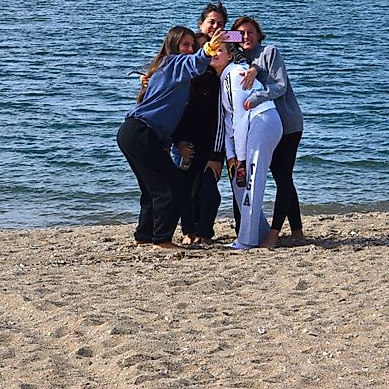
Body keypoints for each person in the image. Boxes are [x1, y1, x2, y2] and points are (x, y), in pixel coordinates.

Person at [117, 26, 223, 249]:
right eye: (185, 45)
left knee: (151, 188)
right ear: (172, 46)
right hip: (140, 132)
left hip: (134, 133)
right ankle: (161, 240)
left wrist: (170, 143)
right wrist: (208, 48)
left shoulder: (165, 70)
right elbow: (194, 63)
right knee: (171, 186)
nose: (189, 49)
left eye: (192, 45)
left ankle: (144, 236)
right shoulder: (172, 62)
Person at [233, 16, 304, 248]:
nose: (246, 37)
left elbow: (280, 86)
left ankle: (273, 234)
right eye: (240, 33)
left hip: (287, 124)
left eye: (250, 32)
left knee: (282, 177)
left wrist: (255, 97)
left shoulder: (269, 52)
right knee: (284, 178)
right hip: (264, 129)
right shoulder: (239, 59)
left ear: (258, 34)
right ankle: (297, 231)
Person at [212, 42, 283, 249]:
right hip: (252, 127)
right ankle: (259, 232)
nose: (215, 53)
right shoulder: (225, 76)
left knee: (252, 180)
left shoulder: (234, 73)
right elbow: (229, 121)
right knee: (239, 183)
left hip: (261, 122)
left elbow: (241, 116)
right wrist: (232, 155)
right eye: (212, 49)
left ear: (230, 56)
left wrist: (241, 158)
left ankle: (246, 240)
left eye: (220, 50)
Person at [174, 32, 224, 244]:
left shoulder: (217, 79)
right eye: (200, 49)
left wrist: (216, 155)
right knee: (185, 191)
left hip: (211, 146)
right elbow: (173, 115)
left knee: (209, 191)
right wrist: (178, 142)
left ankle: (204, 232)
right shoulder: (184, 78)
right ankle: (188, 232)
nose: (206, 53)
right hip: (186, 146)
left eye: (209, 49)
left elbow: (221, 120)